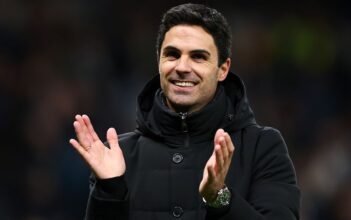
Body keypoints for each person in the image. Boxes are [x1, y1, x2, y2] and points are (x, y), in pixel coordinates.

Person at [69, 3, 300, 220]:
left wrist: (220, 198)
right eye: (172, 54)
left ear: (223, 69)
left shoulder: (262, 147)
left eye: (198, 57)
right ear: (159, 62)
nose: (182, 67)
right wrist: (110, 191)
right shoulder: (120, 156)